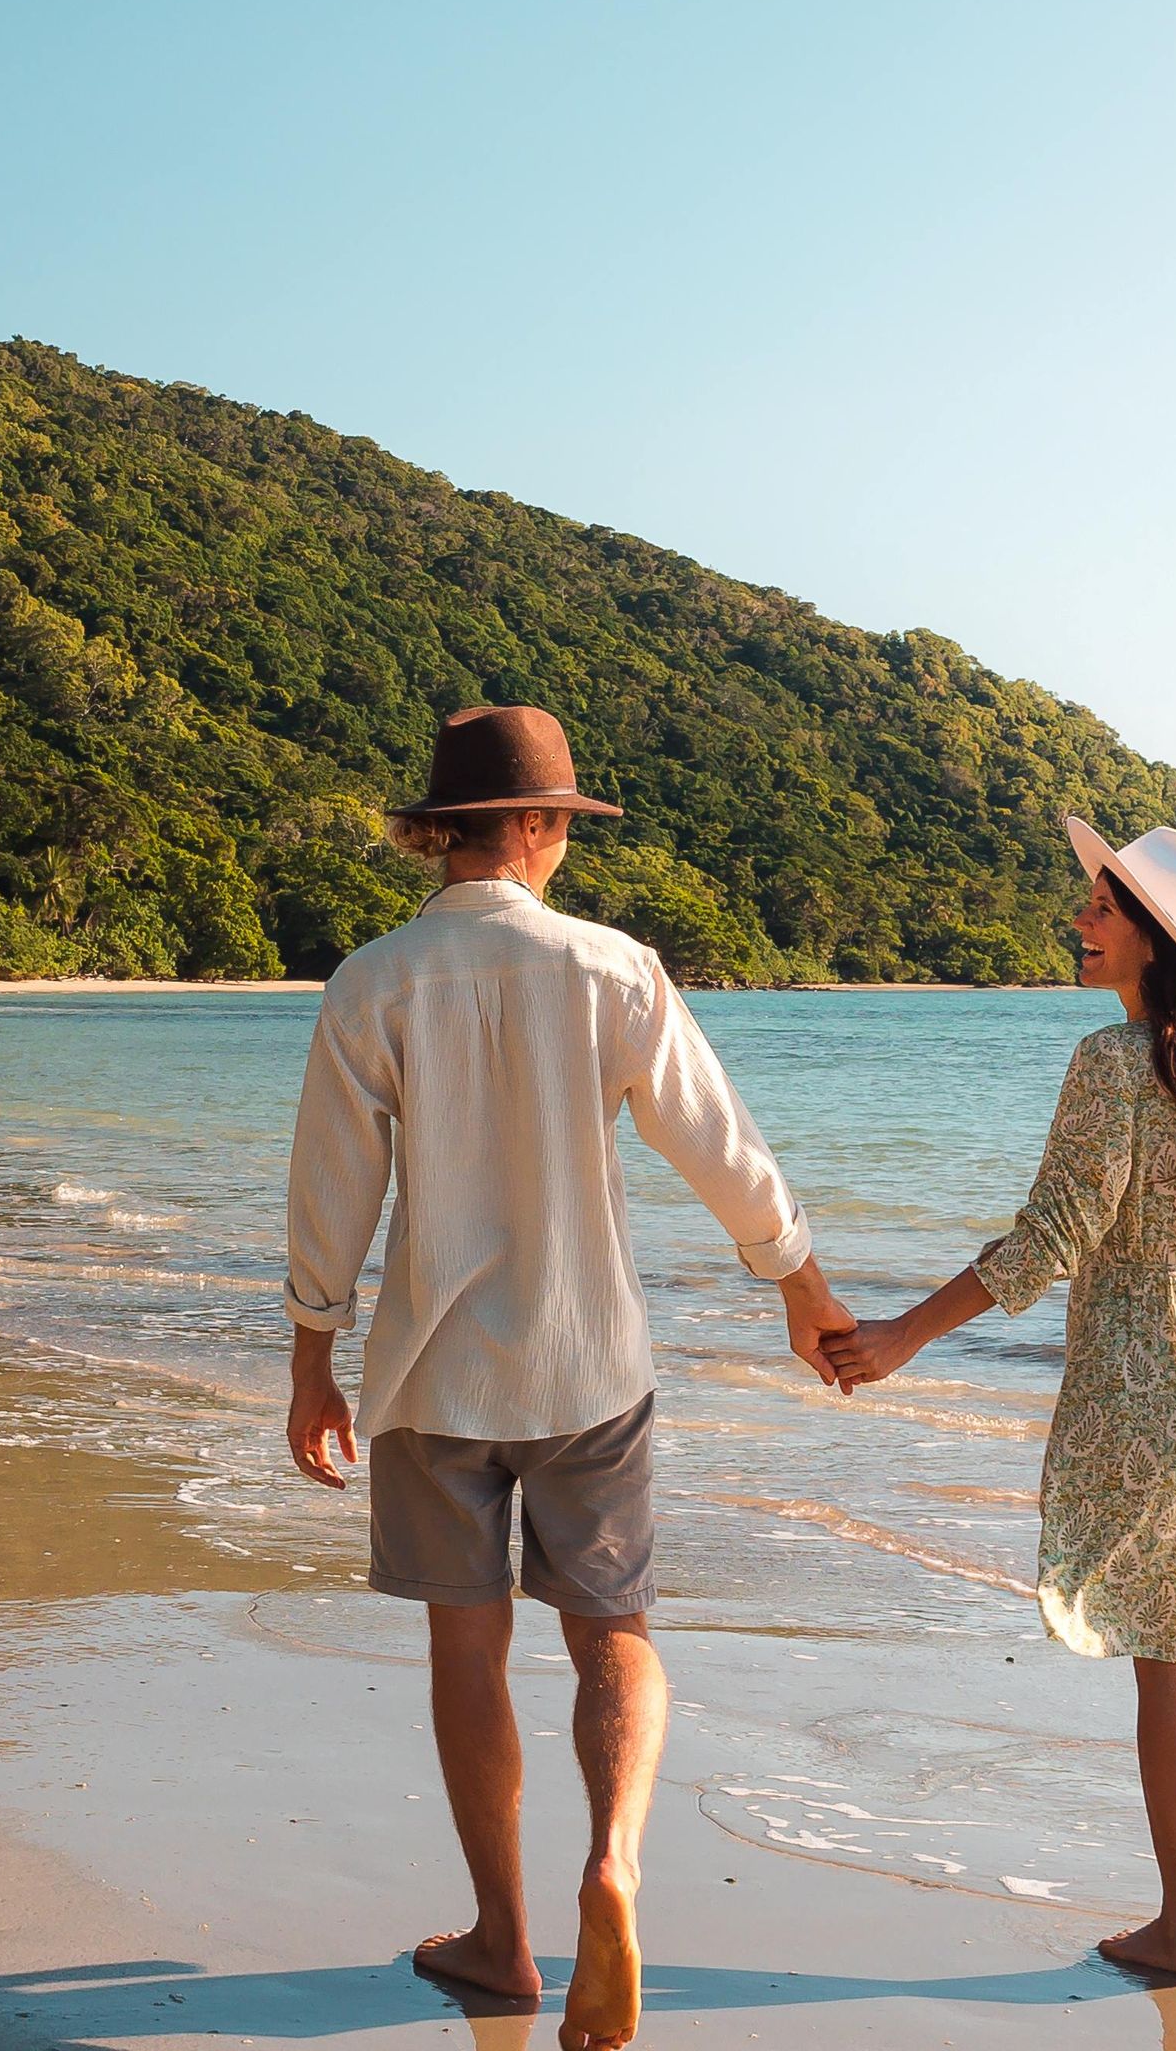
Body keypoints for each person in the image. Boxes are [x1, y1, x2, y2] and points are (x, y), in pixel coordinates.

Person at [282, 705, 854, 2051]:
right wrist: (801, 1288)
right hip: (591, 1364)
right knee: (614, 1635)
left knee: (466, 1648)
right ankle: (616, 1868)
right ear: (536, 828)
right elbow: (715, 1142)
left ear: (440, 833)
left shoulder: (375, 979)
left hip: (434, 1378)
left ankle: (499, 1939)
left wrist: (313, 1359)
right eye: (562, 828)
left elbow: (334, 1191)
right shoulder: (614, 972)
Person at [824, 817, 1176, 1979]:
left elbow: (1051, 1236)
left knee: (1161, 1651)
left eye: (1101, 908)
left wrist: (901, 1336)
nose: (1080, 923)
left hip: (1152, 1370)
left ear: (1152, 938)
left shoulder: (1110, 1063)